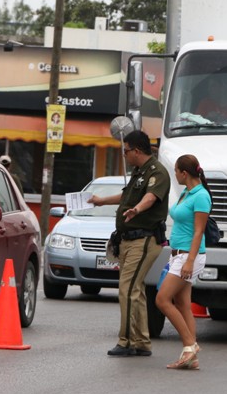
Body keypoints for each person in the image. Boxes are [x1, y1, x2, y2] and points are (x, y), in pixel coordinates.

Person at [87, 130, 170, 357]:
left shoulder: (157, 172)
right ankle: (142, 341)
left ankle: (125, 341)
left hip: (143, 239)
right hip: (128, 239)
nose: (124, 155)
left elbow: (150, 197)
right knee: (136, 290)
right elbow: (126, 197)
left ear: (136, 150)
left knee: (127, 289)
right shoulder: (139, 172)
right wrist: (100, 201)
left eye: (125, 151)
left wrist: (137, 210)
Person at [155, 154, 211, 370]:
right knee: (183, 305)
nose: (175, 175)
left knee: (162, 299)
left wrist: (189, 261)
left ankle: (190, 345)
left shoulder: (201, 196)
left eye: (176, 171)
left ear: (184, 173)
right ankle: (191, 357)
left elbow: (198, 232)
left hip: (189, 256)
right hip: (178, 254)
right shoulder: (187, 193)